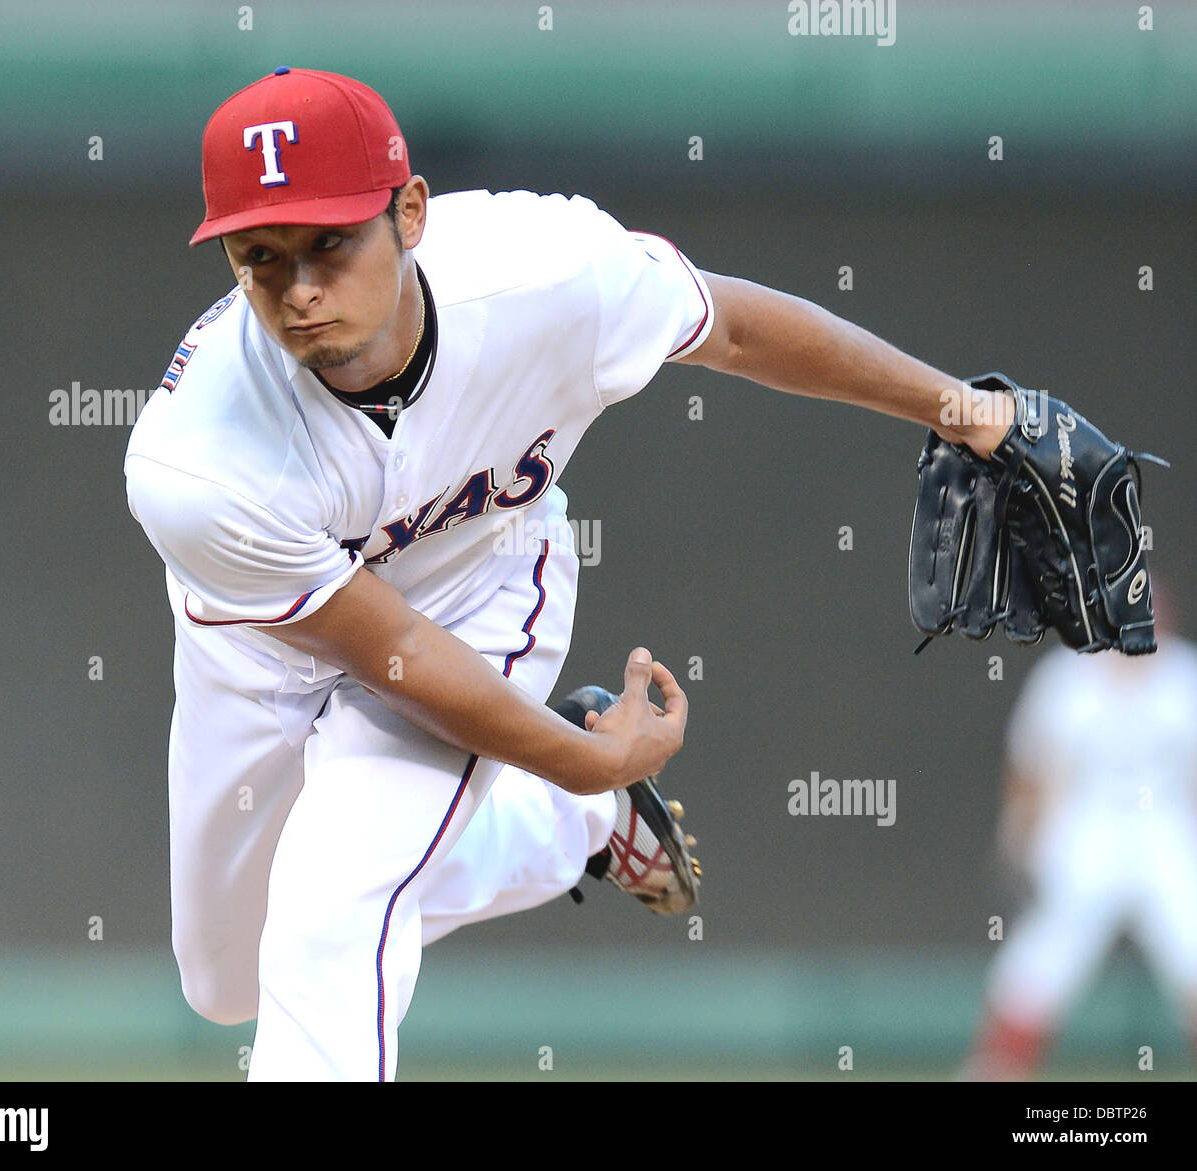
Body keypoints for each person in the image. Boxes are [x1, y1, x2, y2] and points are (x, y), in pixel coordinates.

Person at [125, 67, 1016, 1080]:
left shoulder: (545, 270)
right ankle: (567, 828)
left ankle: (552, 804)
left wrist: (967, 412)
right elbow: (386, 647)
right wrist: (581, 766)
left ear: (409, 213)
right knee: (226, 982)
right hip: (267, 648)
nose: (301, 289)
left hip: (477, 593)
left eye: (331, 240)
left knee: (332, 917)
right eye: (261, 256)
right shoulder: (195, 458)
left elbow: (732, 328)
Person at [964, 583, 1197, 1080]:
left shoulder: (1183, 677)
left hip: (1164, 829)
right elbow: (1032, 768)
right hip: (1089, 827)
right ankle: (998, 1069)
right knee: (1043, 957)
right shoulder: (1070, 677)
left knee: (1192, 946)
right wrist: (1020, 839)